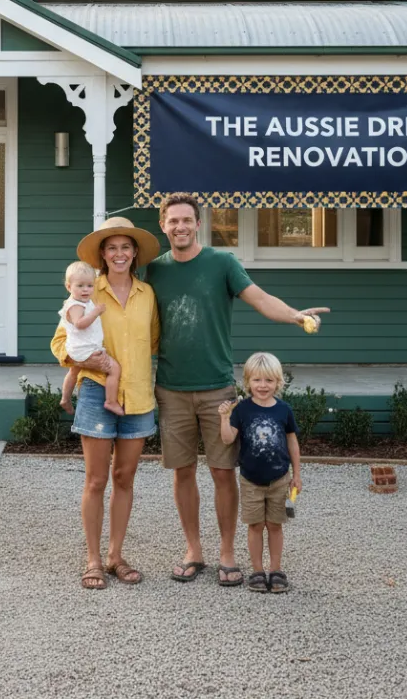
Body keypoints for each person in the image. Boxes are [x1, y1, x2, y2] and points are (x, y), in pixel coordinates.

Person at [146, 194, 327, 587]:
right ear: (163, 226)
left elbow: (260, 299)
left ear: (198, 224)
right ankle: (194, 550)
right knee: (182, 473)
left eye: (186, 220)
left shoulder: (221, 263)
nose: (179, 227)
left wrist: (296, 316)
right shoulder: (153, 271)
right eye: (172, 221)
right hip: (171, 389)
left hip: (217, 391)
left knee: (223, 472)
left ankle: (227, 553)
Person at [50, 216, 160, 590]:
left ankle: (116, 555)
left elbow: (155, 342)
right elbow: (60, 342)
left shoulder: (147, 295)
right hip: (98, 392)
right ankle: (93, 559)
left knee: (124, 478)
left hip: (139, 394)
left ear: (135, 253)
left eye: (125, 247)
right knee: (96, 480)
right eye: (111, 247)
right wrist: (82, 362)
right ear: (102, 254)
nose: (118, 254)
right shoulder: (86, 291)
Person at [218, 352, 301, 593]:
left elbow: (292, 442)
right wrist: (224, 417)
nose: (263, 386)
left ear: (278, 382)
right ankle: (257, 570)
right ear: (248, 382)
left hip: (279, 478)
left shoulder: (283, 410)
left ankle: (275, 570)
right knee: (255, 525)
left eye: (268, 381)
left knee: (275, 525)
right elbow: (227, 439)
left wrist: (297, 474)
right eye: (257, 380)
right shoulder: (242, 409)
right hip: (250, 480)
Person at [58, 261, 123, 416]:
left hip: (78, 347)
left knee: (73, 372)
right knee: (115, 369)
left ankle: (65, 399)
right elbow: (80, 324)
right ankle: (111, 401)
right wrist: (96, 312)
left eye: (89, 286)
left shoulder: (81, 302)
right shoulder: (76, 306)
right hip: (85, 349)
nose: (85, 290)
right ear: (69, 287)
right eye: (80, 286)